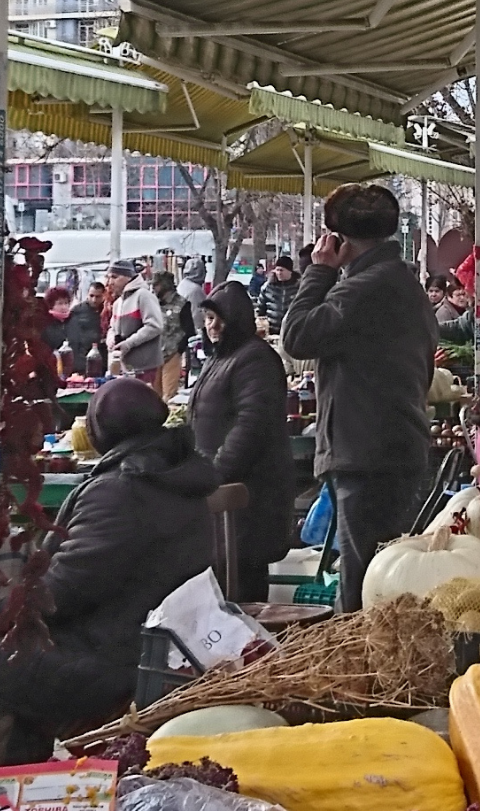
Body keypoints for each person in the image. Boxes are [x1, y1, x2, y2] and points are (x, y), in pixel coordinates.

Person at [0, 378, 217, 762]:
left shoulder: (121, 489)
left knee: (10, 661)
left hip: (111, 659)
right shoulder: (175, 474)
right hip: (148, 648)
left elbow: (69, 585)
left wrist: (11, 611)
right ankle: (24, 777)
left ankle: (17, 779)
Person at [281, 182, 436, 613]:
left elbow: (296, 337)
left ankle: (361, 671)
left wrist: (319, 271)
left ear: (339, 240)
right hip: (394, 445)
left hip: (367, 453)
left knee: (363, 584)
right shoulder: (403, 284)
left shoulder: (362, 290)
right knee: (381, 576)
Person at [190, 283, 295, 603]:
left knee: (242, 587)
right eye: (208, 318)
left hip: (249, 498)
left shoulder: (254, 360)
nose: (213, 326)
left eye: (220, 318)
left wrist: (215, 474)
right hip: (223, 499)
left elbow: (251, 426)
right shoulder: (220, 359)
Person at [105, 260, 166, 384]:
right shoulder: (118, 302)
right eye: (109, 277)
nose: (110, 282)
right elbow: (112, 327)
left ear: (128, 277)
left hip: (143, 366)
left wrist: (129, 343)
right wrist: (110, 338)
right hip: (123, 366)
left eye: (115, 277)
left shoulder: (143, 296)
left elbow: (155, 325)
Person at [150, 271, 194, 400]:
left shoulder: (182, 304)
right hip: (153, 353)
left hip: (172, 353)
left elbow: (189, 330)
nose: (154, 288)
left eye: (156, 285)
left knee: (168, 396)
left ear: (164, 285)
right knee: (152, 395)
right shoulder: (152, 302)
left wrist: (179, 350)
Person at [69, 281, 106, 377]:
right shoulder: (77, 311)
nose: (94, 300)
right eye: (91, 296)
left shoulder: (108, 309)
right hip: (82, 358)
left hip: (103, 357)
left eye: (98, 297)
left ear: (104, 296)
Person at [255, 256, 299, 336]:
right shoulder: (268, 287)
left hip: (292, 331)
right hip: (272, 331)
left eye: (281, 270)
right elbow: (260, 309)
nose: (279, 273)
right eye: (277, 270)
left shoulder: (298, 287)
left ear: (290, 271)